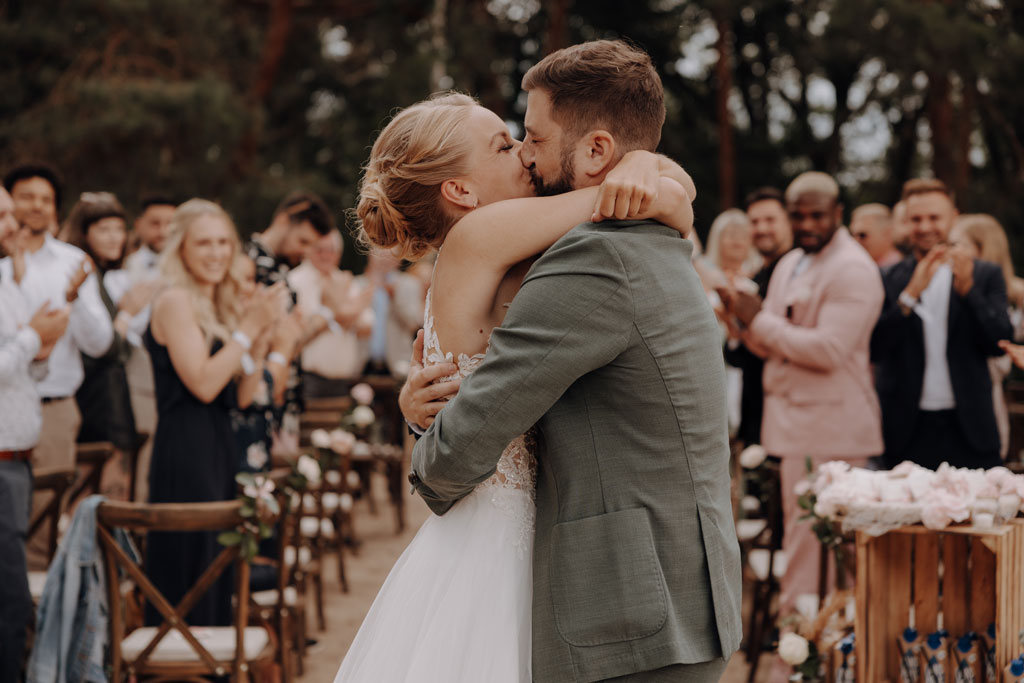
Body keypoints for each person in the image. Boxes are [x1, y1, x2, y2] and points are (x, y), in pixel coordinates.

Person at [383, 40, 741, 683]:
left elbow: (468, 437)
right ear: (459, 188)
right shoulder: (585, 239)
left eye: (530, 138)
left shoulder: (594, 256)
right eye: (507, 144)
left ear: (595, 150)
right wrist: (659, 180)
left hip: (623, 593)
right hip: (567, 563)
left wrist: (655, 175)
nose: (524, 152)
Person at [717, 171, 884, 621]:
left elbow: (829, 350)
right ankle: (808, 646)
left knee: (821, 552)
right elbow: (774, 342)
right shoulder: (792, 262)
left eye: (817, 215)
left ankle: (806, 652)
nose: (807, 224)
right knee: (802, 543)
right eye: (799, 215)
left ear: (838, 214)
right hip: (792, 428)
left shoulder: (853, 267)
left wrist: (761, 321)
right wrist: (740, 320)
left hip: (833, 431)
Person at [144, 199, 284, 626]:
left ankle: (212, 662)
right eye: (203, 243)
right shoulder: (175, 301)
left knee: (215, 562)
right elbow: (203, 384)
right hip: (184, 449)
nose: (217, 252)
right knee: (190, 563)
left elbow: (241, 396)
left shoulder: (218, 304)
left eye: (224, 242)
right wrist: (247, 330)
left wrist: (258, 340)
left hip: (219, 445)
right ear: (181, 249)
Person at [1, 163, 113, 568]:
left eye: (46, 199)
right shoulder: (0, 262)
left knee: (43, 526)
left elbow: (100, 344)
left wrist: (76, 297)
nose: (37, 206)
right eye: (27, 196)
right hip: (3, 411)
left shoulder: (72, 262)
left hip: (54, 410)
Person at [871, 179, 1012, 470]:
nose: (925, 227)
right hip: (907, 428)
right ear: (906, 223)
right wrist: (909, 295)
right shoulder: (887, 277)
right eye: (916, 219)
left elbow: (999, 341)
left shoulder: (985, 274)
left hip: (970, 426)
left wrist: (969, 291)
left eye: (934, 218)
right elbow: (875, 348)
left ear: (953, 218)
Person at [0, 185, 69, 682]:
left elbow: (25, 373)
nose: (13, 224)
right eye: (3, 215)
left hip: (19, 457)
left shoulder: (9, 280)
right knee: (10, 599)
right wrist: (32, 338)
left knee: (12, 596)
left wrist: (42, 353)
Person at [63, 192, 149, 500]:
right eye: (104, 229)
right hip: (94, 399)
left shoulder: (110, 275)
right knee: (91, 497)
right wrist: (126, 314)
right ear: (84, 233)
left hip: (113, 395)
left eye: (118, 228)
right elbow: (104, 347)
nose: (115, 238)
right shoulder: (80, 273)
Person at [722, 187, 793, 446]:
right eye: (754, 222)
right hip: (753, 406)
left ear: (787, 221)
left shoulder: (799, 271)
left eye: (770, 220)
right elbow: (738, 357)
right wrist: (732, 323)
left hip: (787, 409)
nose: (761, 228)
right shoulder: (753, 279)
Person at [949, 213, 1024, 459]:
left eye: (960, 244)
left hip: (993, 385)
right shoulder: (953, 289)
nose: (953, 252)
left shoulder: (1018, 293)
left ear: (981, 248)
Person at [122, 194, 175, 501]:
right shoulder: (127, 268)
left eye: (170, 224)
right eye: (155, 223)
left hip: (185, 376)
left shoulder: (195, 268)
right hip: (142, 379)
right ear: (139, 226)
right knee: (143, 463)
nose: (163, 231)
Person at [288, 229, 370, 398]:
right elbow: (300, 328)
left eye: (331, 250)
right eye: (320, 250)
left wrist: (334, 313)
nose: (326, 255)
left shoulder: (345, 280)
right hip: (306, 378)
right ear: (308, 250)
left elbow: (367, 326)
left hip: (343, 380)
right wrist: (346, 312)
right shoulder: (295, 281)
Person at [354, 248, 425, 377]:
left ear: (398, 259)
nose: (384, 260)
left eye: (390, 256)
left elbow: (414, 323)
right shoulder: (358, 285)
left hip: (397, 365)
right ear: (370, 256)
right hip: (362, 364)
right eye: (380, 254)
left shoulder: (409, 284)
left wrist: (395, 297)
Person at [851, 202, 902, 267]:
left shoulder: (900, 270)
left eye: (862, 235)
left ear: (887, 233)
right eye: (852, 236)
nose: (855, 242)